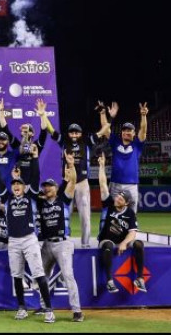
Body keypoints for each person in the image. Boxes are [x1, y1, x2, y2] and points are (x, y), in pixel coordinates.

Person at [0, 160, 55, 323]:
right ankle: (21, 308)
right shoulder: (7, 199)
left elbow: (35, 177)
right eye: (13, 184)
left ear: (24, 186)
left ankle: (49, 310)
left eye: (19, 184)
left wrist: (34, 159)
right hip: (13, 241)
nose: (16, 186)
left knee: (39, 274)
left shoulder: (31, 197)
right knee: (17, 276)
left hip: (29, 240)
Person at [43, 100, 109, 248]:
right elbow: (51, 130)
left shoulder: (87, 141)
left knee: (85, 216)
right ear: (68, 133)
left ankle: (85, 244)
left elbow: (104, 129)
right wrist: (43, 115)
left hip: (82, 183)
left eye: (76, 132)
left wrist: (104, 114)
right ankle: (64, 240)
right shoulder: (64, 141)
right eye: (72, 132)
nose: (74, 134)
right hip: (67, 184)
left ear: (80, 133)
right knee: (62, 214)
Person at [37, 154, 83, 322]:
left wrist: (71, 165)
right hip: (47, 245)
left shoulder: (63, 200)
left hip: (63, 242)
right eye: (45, 187)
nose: (47, 188)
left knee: (68, 275)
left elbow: (72, 182)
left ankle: (77, 310)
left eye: (50, 186)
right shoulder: (41, 202)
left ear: (56, 188)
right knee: (42, 276)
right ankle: (44, 306)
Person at [97, 152, 147, 293]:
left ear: (126, 203)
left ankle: (140, 278)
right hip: (107, 239)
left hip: (121, 241)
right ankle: (109, 281)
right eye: (118, 196)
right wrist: (101, 166)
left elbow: (132, 233)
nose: (117, 199)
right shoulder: (109, 205)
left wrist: (125, 243)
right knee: (107, 245)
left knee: (138, 244)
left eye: (120, 198)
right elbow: (102, 185)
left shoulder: (130, 213)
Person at [105, 102, 148, 212]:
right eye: (124, 130)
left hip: (131, 184)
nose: (126, 132)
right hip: (115, 183)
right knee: (113, 213)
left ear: (134, 133)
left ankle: (132, 229)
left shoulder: (137, 145)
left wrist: (143, 116)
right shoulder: (115, 142)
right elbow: (105, 130)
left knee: (132, 214)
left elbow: (143, 130)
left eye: (129, 130)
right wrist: (109, 116)